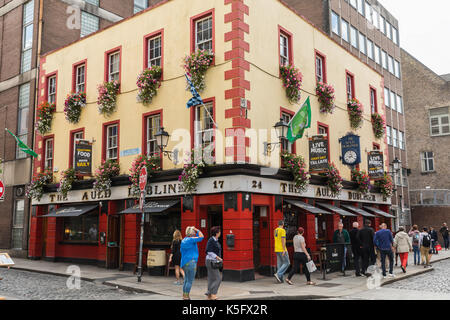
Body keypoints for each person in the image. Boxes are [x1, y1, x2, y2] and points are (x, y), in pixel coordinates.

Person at [180, 226, 204, 300]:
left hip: (184, 262)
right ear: (192, 233)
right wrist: (197, 229)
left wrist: (195, 232)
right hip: (191, 262)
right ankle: (186, 296)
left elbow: (198, 238)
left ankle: (184, 295)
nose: (194, 234)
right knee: (190, 281)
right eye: (194, 233)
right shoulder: (191, 240)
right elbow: (201, 237)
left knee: (186, 280)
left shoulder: (184, 240)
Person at [205, 226, 223, 300]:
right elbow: (209, 251)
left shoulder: (215, 240)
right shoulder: (211, 240)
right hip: (211, 261)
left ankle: (209, 295)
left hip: (212, 261)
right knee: (218, 278)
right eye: (219, 232)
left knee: (211, 279)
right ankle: (212, 293)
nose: (220, 233)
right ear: (217, 233)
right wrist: (218, 258)